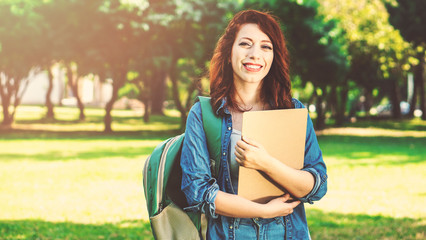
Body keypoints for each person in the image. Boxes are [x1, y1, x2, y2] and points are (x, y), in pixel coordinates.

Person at [180, 10, 327, 239]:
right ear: (229, 53)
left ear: (274, 57)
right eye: (245, 44)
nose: (255, 54)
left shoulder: (294, 110)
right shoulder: (203, 114)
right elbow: (198, 192)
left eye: (266, 47)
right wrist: (262, 211)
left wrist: (266, 163)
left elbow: (316, 187)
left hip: (288, 233)